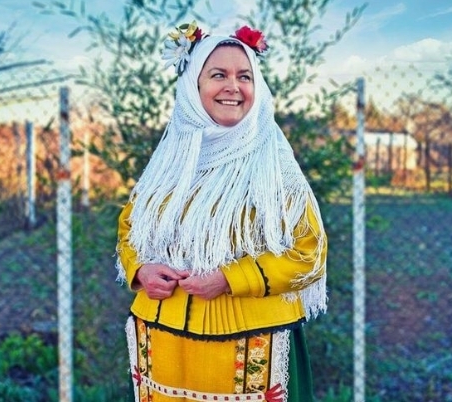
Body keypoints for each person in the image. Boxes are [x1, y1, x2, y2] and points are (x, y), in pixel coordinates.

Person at [116, 21, 328, 402]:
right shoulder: (170, 161)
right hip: (163, 345)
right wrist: (141, 270)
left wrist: (230, 279)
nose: (233, 86)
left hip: (252, 346)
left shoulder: (274, 168)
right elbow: (131, 228)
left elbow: (308, 254)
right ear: (192, 87)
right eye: (218, 75)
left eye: (244, 76)